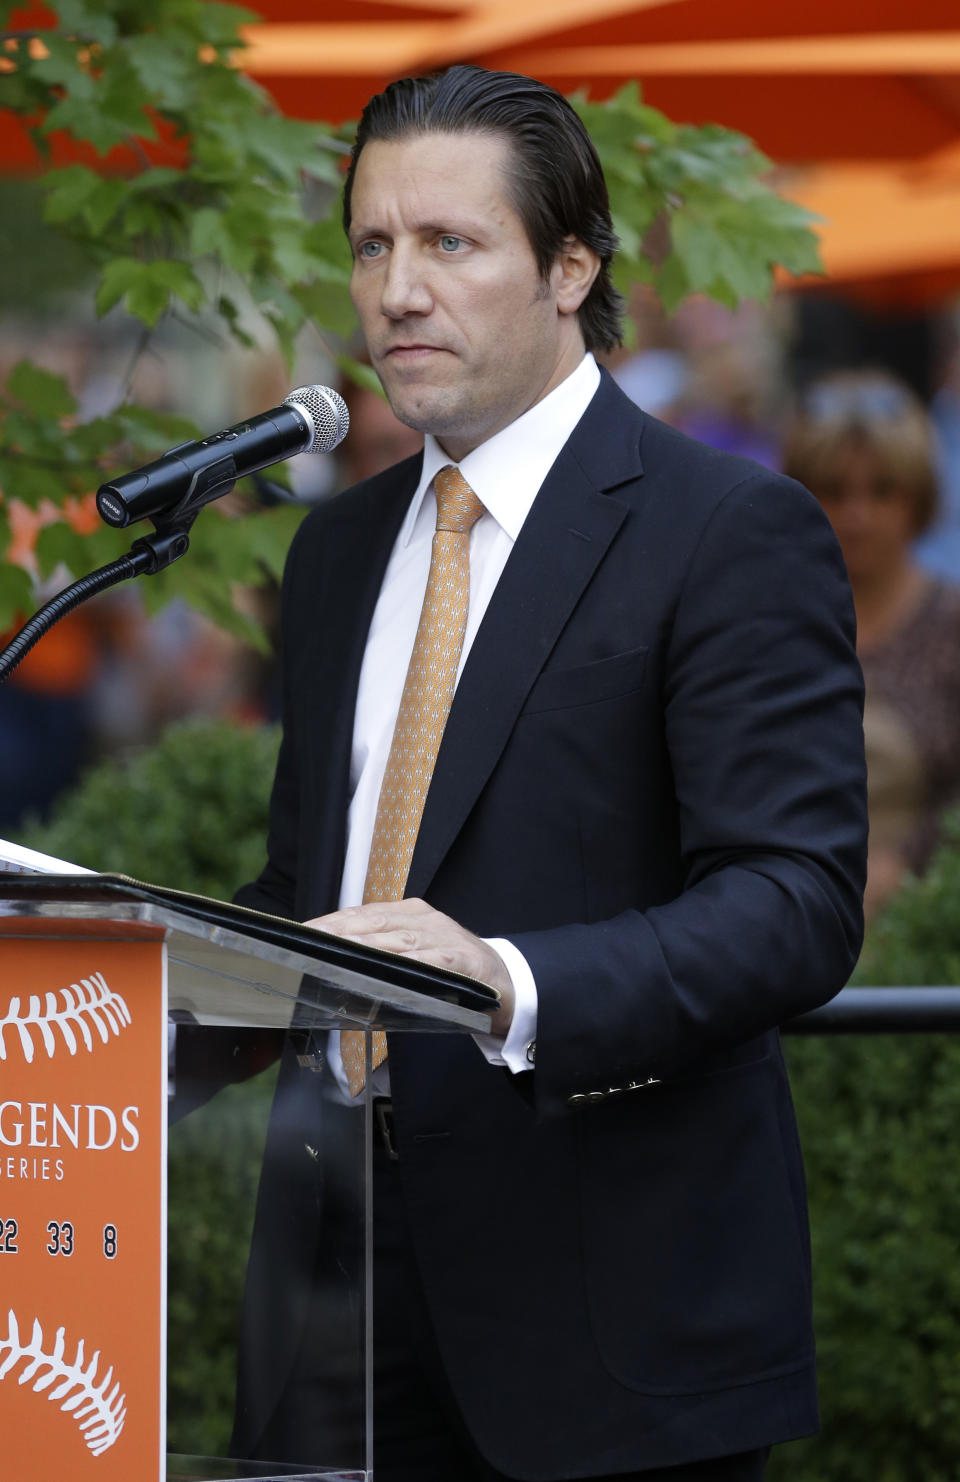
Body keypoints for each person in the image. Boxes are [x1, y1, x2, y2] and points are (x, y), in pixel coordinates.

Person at [231, 65, 867, 1482]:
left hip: (605, 1307)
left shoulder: (727, 528)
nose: (397, 290)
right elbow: (310, 891)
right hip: (330, 1285)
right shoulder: (336, 552)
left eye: (449, 243)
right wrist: (92, 997)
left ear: (570, 265)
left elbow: (795, 900)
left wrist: (504, 980)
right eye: (372, 245)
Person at [783, 369, 960, 920]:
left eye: (882, 491)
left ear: (918, 499)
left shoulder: (950, 625)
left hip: (924, 927)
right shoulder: (767, 624)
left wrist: (906, 865)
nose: (856, 516)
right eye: (834, 492)